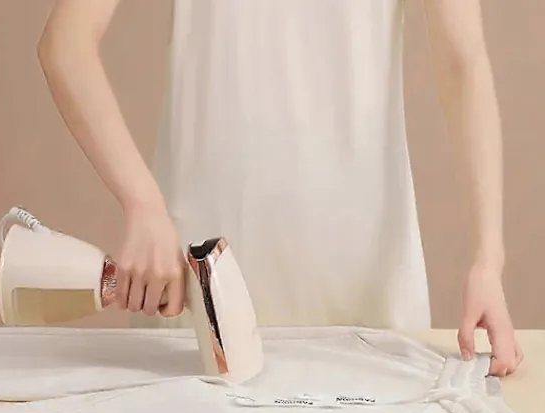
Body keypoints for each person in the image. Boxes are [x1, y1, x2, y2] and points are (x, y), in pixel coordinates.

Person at [36, 0, 523, 377]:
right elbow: (65, 44)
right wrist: (141, 204)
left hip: (364, 297)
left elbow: (464, 62)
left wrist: (488, 260)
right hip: (202, 292)